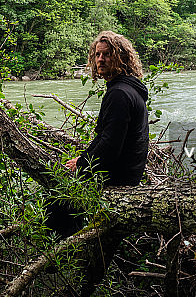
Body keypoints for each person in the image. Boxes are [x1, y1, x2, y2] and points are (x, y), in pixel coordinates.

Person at [46, 31, 149, 236]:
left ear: (121, 58)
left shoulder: (120, 93)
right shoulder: (126, 88)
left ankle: (65, 254)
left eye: (107, 54)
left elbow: (110, 146)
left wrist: (83, 164)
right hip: (127, 173)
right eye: (97, 55)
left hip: (120, 178)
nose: (100, 59)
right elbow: (106, 137)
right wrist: (82, 159)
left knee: (57, 199)